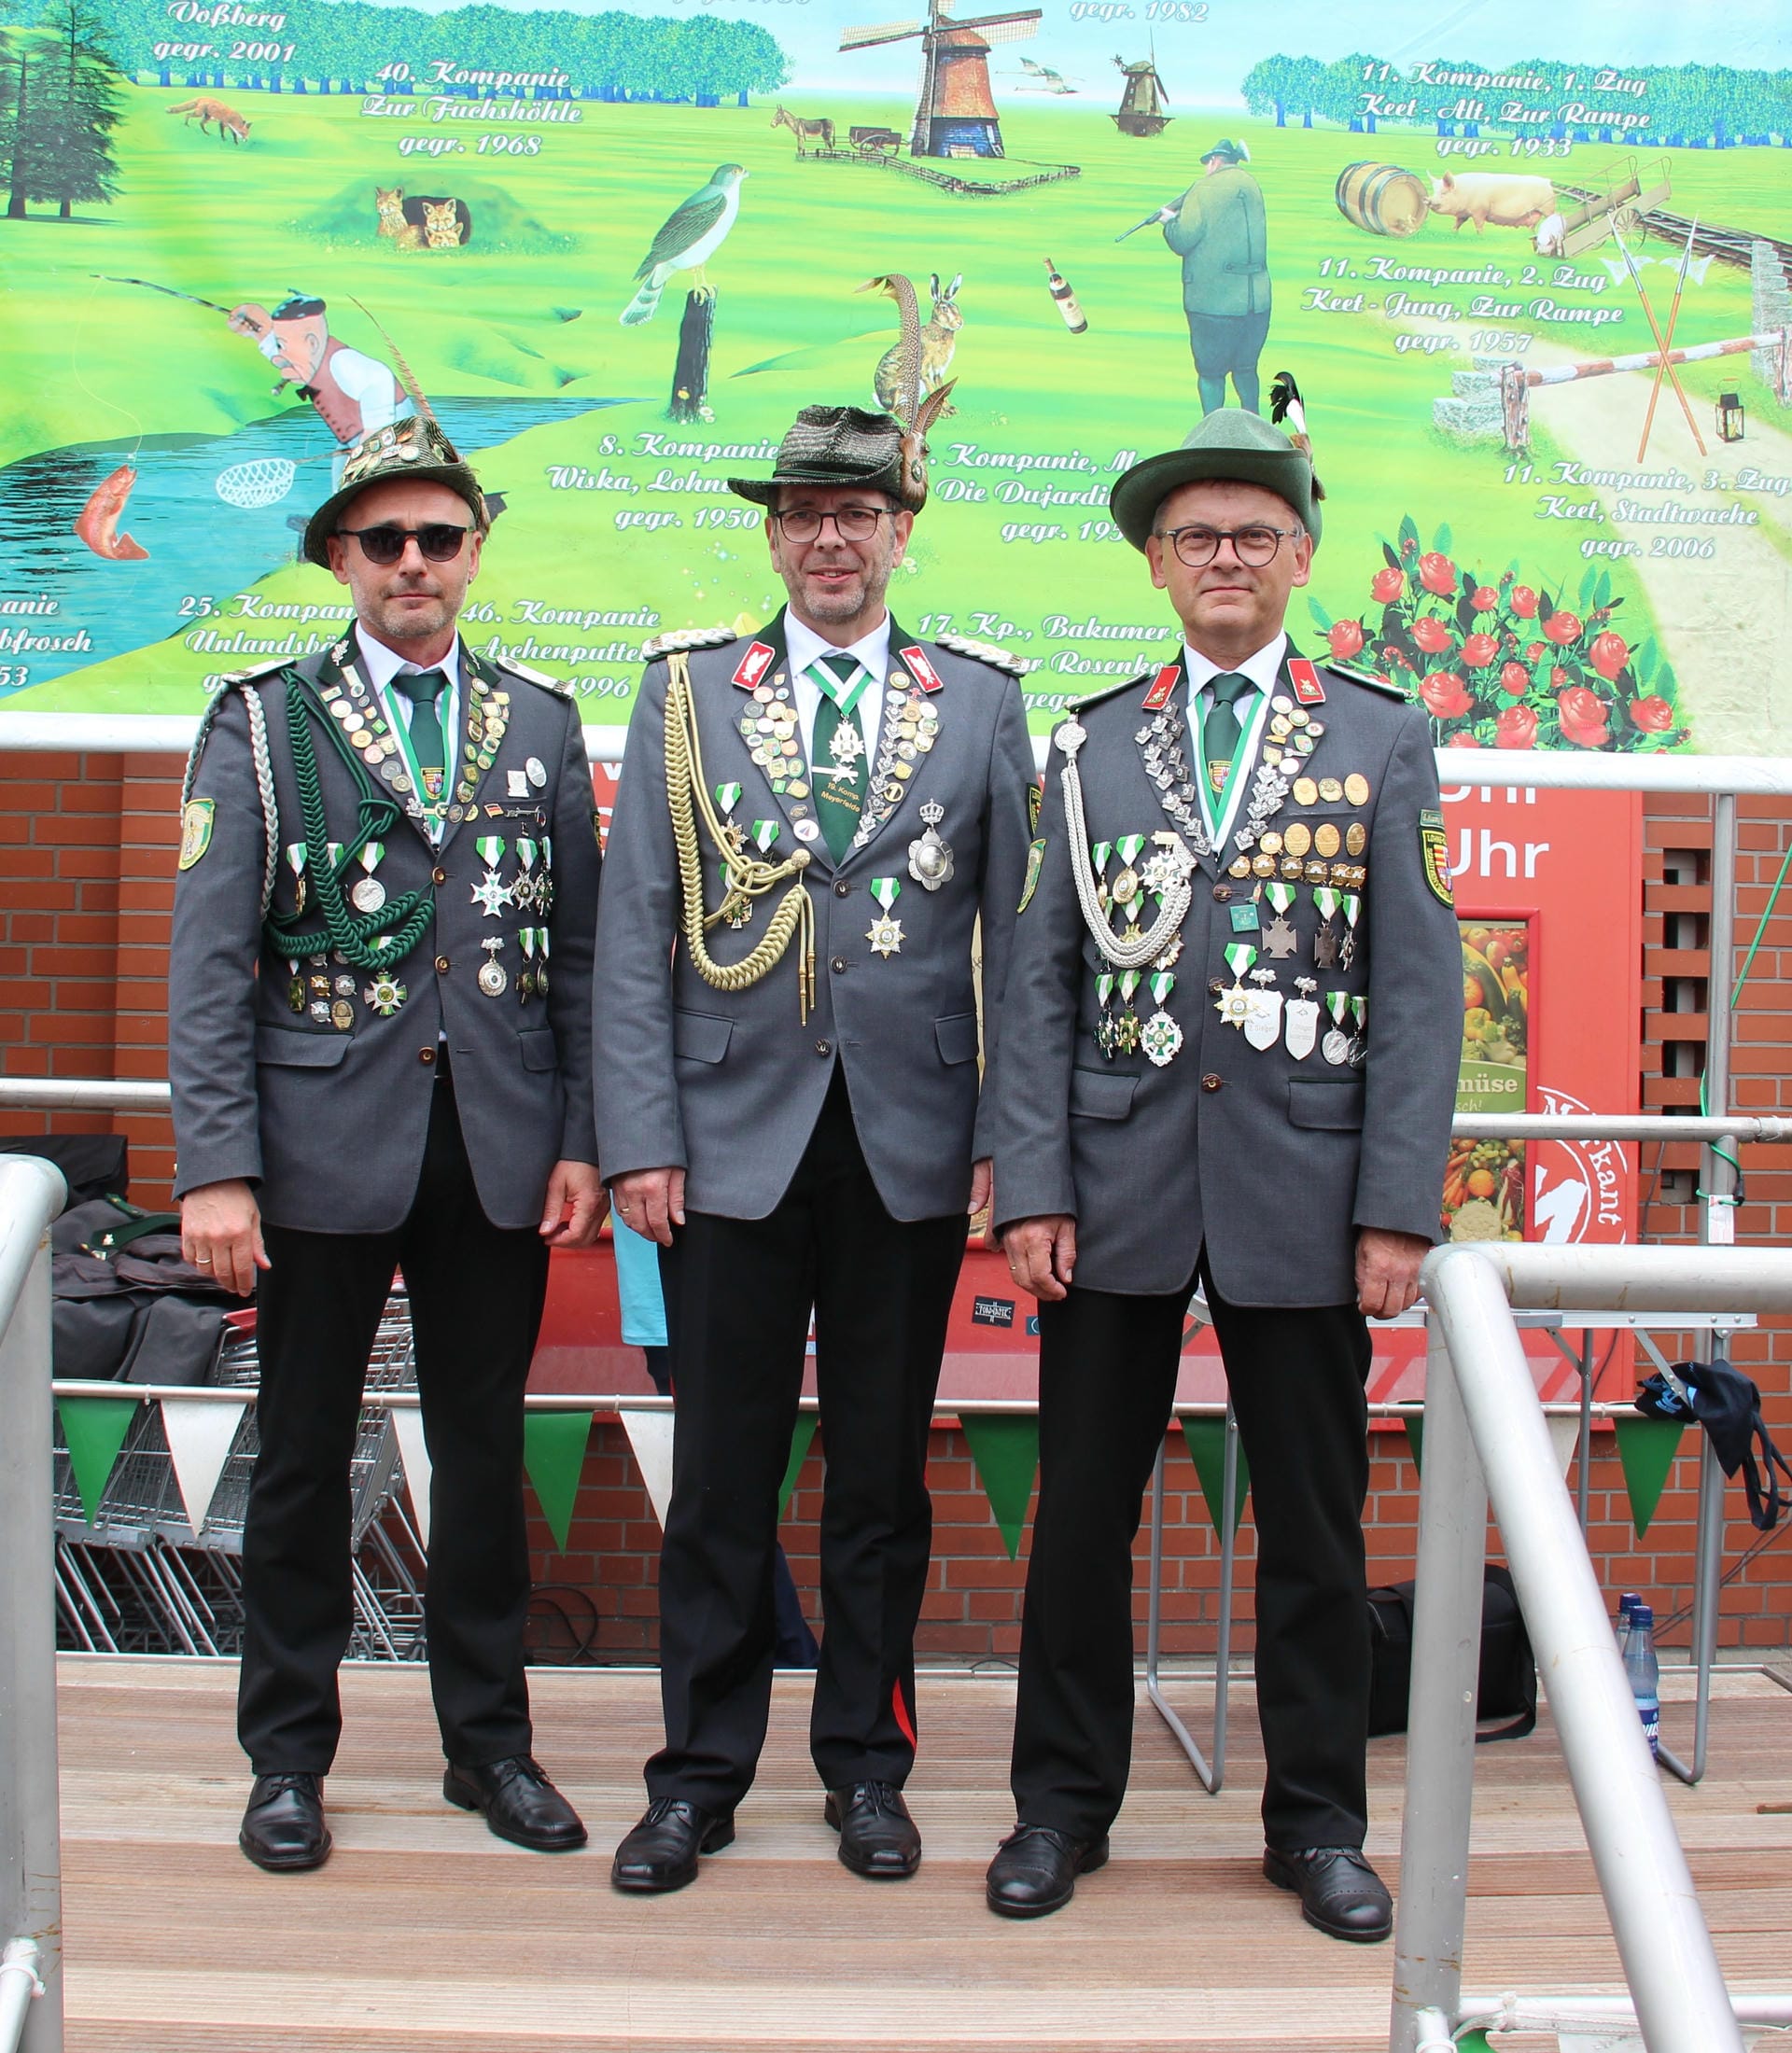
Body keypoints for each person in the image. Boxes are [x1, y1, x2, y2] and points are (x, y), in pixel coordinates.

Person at [983, 409, 1460, 1938]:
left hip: (1304, 1189)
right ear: (1156, 564)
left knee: (1316, 1530)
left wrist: (1394, 1209)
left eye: (1257, 533)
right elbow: (1041, 982)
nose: (1227, 557)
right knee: (1078, 1520)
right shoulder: (1091, 740)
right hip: (1114, 1184)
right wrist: (1032, 1183)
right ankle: (1059, 1809)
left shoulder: (1383, 735)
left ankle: (1317, 1825)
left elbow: (1419, 991)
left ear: (1301, 556)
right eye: (1197, 536)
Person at [592, 403, 1035, 1892]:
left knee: (880, 1488)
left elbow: (1019, 945)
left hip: (911, 1147)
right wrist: (640, 1136)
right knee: (720, 1481)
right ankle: (698, 1780)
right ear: (774, 535)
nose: (829, 538)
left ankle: (868, 1770)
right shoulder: (687, 693)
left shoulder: (979, 701)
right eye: (801, 513)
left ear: (902, 527)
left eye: (856, 512)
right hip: (725, 1144)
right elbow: (635, 932)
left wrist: (1008, 1144)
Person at [170, 413, 605, 1874]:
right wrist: (216, 1168)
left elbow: (580, 958)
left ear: (475, 553)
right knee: (301, 1459)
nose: (413, 562)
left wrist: (581, 1138)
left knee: (482, 1459)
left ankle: (490, 1750)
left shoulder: (539, 721)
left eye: (439, 537)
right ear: (338, 559)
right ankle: (286, 1762)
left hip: (496, 1144)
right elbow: (208, 962)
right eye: (384, 540)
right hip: (315, 1148)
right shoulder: (260, 721)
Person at [1158, 138, 1271, 417]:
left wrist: (1169, 223)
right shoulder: (1251, 184)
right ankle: (1255, 426)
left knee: (1210, 373)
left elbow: (1183, 239)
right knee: (1246, 369)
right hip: (1257, 302)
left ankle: (1212, 430)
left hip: (1213, 303)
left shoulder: (1202, 188)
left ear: (1214, 161)